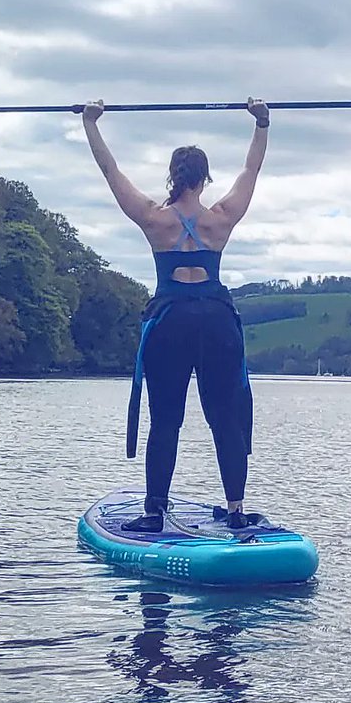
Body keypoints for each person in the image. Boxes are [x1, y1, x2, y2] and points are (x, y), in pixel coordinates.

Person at [80, 97, 270, 539]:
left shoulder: (153, 219)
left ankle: (154, 511)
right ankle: (236, 511)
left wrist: (91, 123)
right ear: (204, 179)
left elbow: (110, 171)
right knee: (225, 418)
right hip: (217, 324)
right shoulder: (221, 219)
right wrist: (262, 124)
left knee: (166, 420)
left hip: (170, 324)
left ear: (173, 177)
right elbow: (251, 169)